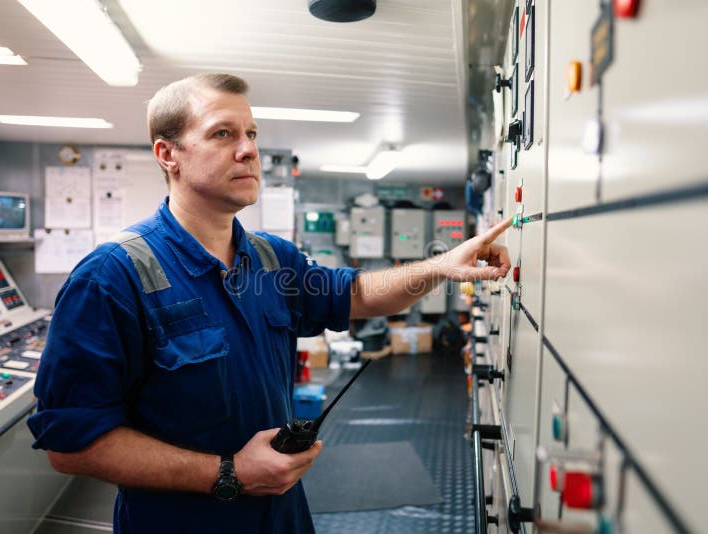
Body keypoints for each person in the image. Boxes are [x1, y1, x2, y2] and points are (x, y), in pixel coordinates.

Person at [28, 73, 512, 533]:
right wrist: (227, 473)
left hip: (282, 518)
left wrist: (439, 265)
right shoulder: (111, 279)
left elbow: (358, 294)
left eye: (251, 133)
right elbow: (74, 445)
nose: (249, 151)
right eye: (222, 134)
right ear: (167, 154)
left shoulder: (269, 259)